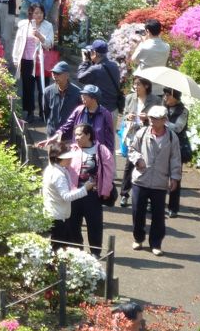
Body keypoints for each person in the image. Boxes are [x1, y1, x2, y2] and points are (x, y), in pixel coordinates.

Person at [129, 105, 182, 256]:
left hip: (160, 181)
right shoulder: (142, 133)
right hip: (141, 179)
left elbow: (175, 159)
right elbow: (132, 149)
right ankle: (138, 238)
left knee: (158, 215)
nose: (152, 121)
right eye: (151, 118)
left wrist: (175, 178)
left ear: (164, 120)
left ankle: (156, 243)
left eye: (156, 119)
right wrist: (137, 160)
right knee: (137, 212)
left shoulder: (172, 137)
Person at [65, 124, 116, 257]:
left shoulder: (101, 150)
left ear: (88, 135)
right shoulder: (72, 149)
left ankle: (95, 251)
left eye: (79, 134)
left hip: (93, 193)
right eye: (75, 134)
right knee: (73, 223)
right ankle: (77, 250)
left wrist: (105, 190)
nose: (76, 137)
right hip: (75, 192)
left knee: (94, 224)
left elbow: (109, 172)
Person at [119, 77, 161, 207]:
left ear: (146, 86)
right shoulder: (130, 98)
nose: (135, 87)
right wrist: (128, 117)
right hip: (133, 135)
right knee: (129, 165)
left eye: (138, 85)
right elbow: (125, 114)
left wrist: (148, 118)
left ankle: (148, 199)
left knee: (149, 165)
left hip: (149, 135)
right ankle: (124, 194)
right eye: (135, 85)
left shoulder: (155, 100)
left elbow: (160, 116)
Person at [43, 143, 94, 248]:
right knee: (58, 249)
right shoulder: (58, 175)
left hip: (55, 214)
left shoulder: (53, 169)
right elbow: (66, 196)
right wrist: (85, 189)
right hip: (58, 217)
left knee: (61, 247)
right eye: (68, 157)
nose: (70, 159)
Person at [13, 2, 54, 123]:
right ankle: (30, 112)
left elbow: (50, 44)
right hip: (27, 60)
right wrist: (16, 59)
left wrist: (40, 36)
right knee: (27, 87)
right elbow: (18, 42)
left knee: (43, 88)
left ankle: (43, 112)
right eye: (36, 13)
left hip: (42, 62)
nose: (39, 15)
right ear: (30, 13)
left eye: (41, 13)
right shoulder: (24, 25)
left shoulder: (48, 26)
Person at [51, 84, 115, 152]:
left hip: (97, 153)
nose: (82, 97)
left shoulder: (105, 114)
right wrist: (54, 138)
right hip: (79, 151)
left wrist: (108, 155)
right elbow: (66, 126)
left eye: (85, 95)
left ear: (93, 98)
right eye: (82, 95)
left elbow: (109, 138)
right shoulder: (79, 110)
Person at [77, 39, 122, 130]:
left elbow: (80, 77)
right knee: (109, 141)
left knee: (95, 141)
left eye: (91, 51)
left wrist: (85, 61)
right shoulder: (114, 66)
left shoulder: (95, 69)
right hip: (113, 110)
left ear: (95, 53)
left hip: (99, 111)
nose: (89, 54)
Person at [163, 88, 190, 217]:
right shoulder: (162, 108)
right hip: (161, 144)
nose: (165, 98)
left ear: (175, 97)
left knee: (175, 177)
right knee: (160, 175)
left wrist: (163, 122)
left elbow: (178, 128)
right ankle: (156, 203)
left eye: (168, 95)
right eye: (165, 95)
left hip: (177, 146)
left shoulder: (183, 111)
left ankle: (173, 207)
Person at [43, 61, 82, 138]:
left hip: (70, 136)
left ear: (67, 75)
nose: (54, 76)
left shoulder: (77, 93)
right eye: (53, 73)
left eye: (58, 73)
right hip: (52, 134)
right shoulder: (47, 91)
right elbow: (46, 112)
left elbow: (80, 115)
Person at [131, 19, 170, 96]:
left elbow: (134, 60)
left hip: (143, 85)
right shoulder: (167, 46)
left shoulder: (144, 46)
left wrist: (142, 43)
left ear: (147, 31)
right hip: (159, 85)